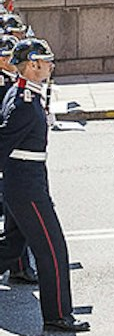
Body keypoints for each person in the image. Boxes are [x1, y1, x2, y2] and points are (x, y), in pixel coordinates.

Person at [0, 38, 88, 332]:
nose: (51, 65)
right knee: (52, 250)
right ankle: (57, 315)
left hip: (26, 180)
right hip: (26, 185)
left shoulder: (25, 93)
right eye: (46, 60)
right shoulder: (24, 103)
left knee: (12, 245)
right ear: (34, 64)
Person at [0, 33, 38, 286]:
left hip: (15, 162)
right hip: (11, 162)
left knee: (17, 221)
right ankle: (19, 266)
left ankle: (20, 266)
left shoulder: (15, 84)